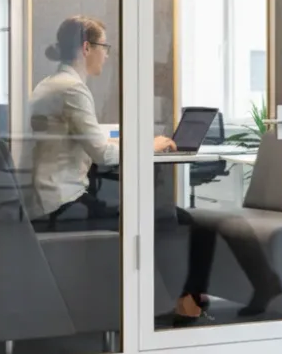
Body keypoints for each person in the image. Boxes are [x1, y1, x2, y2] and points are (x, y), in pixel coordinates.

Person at [27, 15, 175, 230]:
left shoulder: (49, 84)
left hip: (45, 199)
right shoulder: (72, 89)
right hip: (63, 202)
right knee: (164, 218)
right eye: (104, 47)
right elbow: (103, 155)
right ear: (86, 48)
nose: (106, 55)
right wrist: (149, 147)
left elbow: (82, 142)